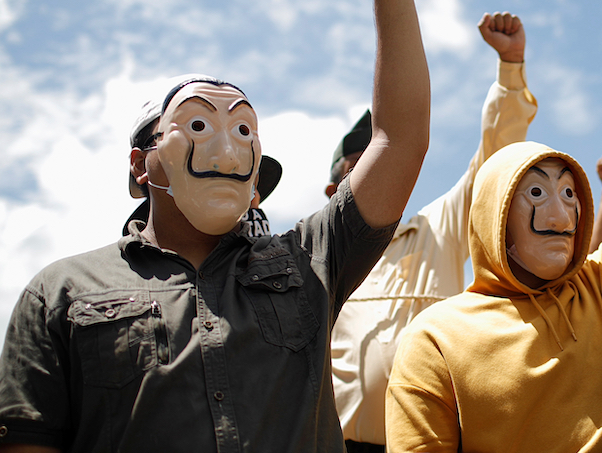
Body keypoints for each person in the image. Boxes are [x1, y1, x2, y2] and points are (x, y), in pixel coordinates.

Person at [0, 0, 430, 450]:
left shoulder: (309, 262)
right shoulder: (61, 291)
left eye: (243, 130)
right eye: (199, 125)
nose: (227, 151)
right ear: (141, 165)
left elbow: (398, 140)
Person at [384, 8, 602, 451]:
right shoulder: (434, 338)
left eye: (568, 194)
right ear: (494, 215)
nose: (561, 214)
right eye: (537, 194)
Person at [328, 11, 537, 453]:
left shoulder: (436, 229)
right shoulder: (318, 255)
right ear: (334, 190)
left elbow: (494, 159)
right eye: (359, 171)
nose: (374, 179)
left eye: (381, 166)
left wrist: (510, 69)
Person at [122, 97, 284, 238]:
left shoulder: (292, 258)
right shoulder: (106, 270)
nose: (227, 157)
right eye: (197, 127)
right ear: (142, 164)